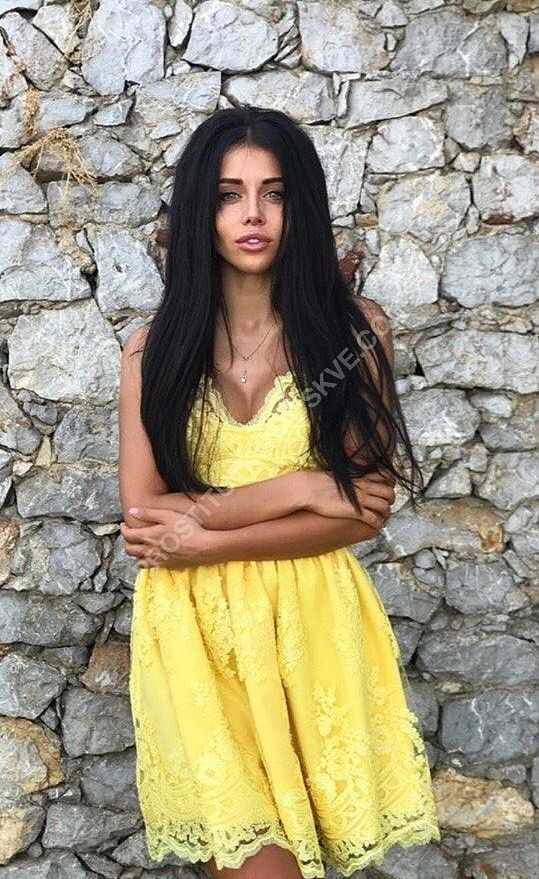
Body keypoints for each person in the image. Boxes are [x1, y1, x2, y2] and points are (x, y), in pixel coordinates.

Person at [118, 105, 441, 879]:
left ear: (303, 207)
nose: (253, 215)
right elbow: (144, 515)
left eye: (274, 193)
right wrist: (304, 488)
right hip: (195, 634)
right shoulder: (152, 349)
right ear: (199, 212)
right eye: (228, 195)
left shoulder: (353, 333)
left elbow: (364, 509)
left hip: (311, 623)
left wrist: (212, 529)